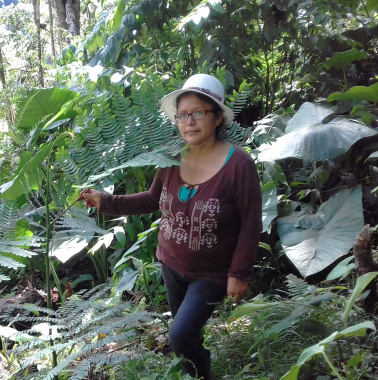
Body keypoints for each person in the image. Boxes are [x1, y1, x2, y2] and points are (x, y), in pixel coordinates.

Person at [80, 73, 262, 380]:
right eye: (182, 115)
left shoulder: (238, 165)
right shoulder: (171, 159)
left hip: (212, 274)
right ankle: (195, 373)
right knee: (185, 337)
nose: (189, 121)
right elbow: (153, 199)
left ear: (217, 117)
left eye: (198, 113)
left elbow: (251, 222)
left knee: (179, 336)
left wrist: (238, 274)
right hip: (172, 265)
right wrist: (106, 201)